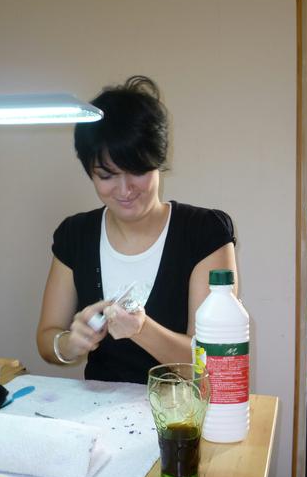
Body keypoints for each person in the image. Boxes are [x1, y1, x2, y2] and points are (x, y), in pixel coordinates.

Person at [36, 76, 237, 383]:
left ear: (158, 162)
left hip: (181, 407)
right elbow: (46, 339)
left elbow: (212, 364)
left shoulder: (205, 233)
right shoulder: (75, 235)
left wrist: (141, 330)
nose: (125, 189)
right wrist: (68, 344)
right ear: (90, 173)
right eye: (107, 175)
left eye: (137, 170)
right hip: (98, 407)